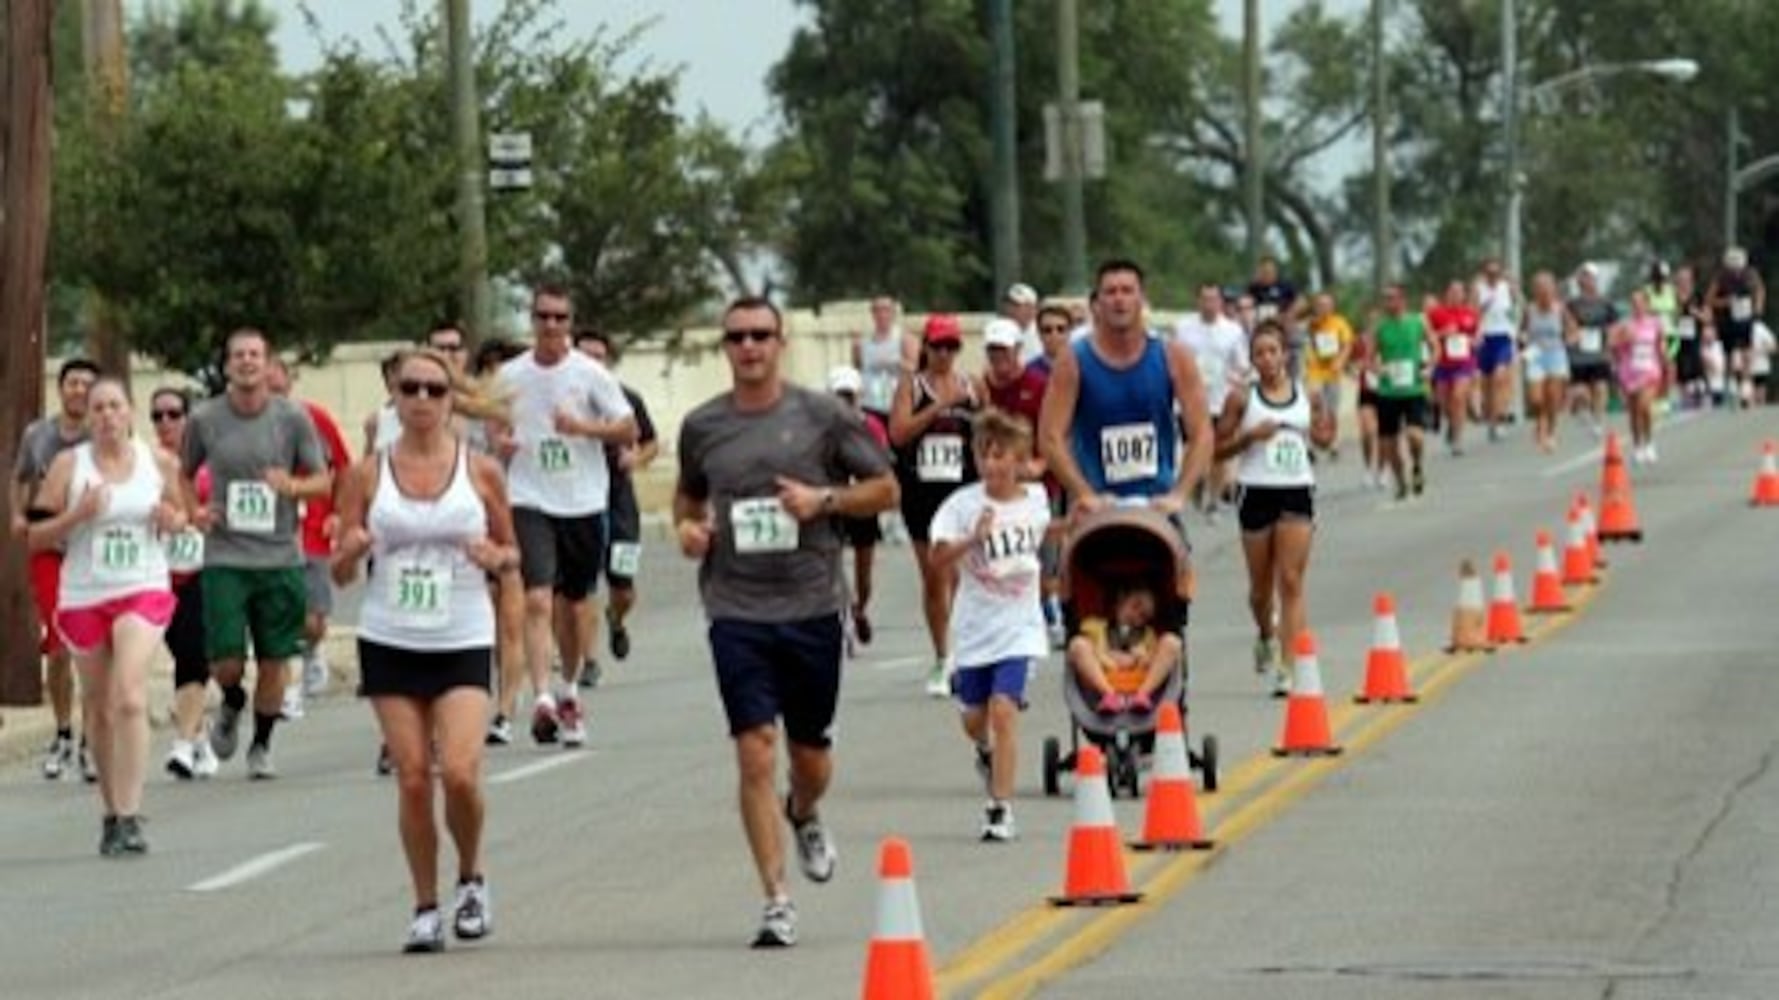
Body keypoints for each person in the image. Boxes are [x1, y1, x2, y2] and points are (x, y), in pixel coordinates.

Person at [674, 296, 898, 948]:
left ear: (780, 342)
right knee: (753, 751)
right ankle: (775, 898)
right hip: (735, 608)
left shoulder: (822, 416)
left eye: (760, 336)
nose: (749, 347)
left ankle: (802, 810)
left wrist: (823, 499)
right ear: (726, 347)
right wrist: (691, 530)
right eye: (737, 337)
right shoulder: (703, 425)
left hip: (809, 605)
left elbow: (885, 488)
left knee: (810, 757)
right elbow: (689, 496)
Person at [331, 347, 514, 953]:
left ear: (452, 398)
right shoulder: (365, 474)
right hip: (391, 633)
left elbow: (512, 553)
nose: (422, 400)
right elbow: (336, 573)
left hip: (462, 630)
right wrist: (353, 549)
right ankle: (425, 906)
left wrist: (495, 558)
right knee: (412, 777)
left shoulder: (481, 471)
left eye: (436, 390)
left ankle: (471, 877)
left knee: (459, 772)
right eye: (410, 389)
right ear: (395, 397)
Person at [27, 378, 184, 854]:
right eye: (98, 408)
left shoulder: (159, 461)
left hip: (142, 586)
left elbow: (180, 513)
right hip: (84, 593)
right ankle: (111, 812)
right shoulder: (67, 466)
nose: (108, 416)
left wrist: (170, 519)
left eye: (116, 406)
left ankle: (132, 813)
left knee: (129, 695)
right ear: (87, 417)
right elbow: (34, 537)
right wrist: (77, 515)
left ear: (130, 411)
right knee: (97, 706)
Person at [183, 329, 330, 779]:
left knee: (274, 660)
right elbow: (182, 473)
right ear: (227, 366)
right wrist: (195, 511)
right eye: (238, 355)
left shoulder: (293, 418)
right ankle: (231, 700)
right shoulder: (206, 418)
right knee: (225, 662)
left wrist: (292, 485)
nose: (247, 362)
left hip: (279, 557)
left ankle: (262, 743)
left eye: (255, 355)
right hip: (226, 556)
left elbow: (323, 480)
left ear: (268, 365)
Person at [496, 285, 636, 749]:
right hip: (529, 496)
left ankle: (570, 688)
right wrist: (501, 441)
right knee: (537, 598)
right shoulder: (511, 373)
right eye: (543, 316)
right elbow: (491, 420)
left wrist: (583, 428)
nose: (551, 325)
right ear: (531, 320)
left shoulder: (590, 374)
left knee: (575, 605)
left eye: (560, 317)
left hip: (582, 499)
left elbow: (627, 427)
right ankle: (541, 698)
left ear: (570, 323)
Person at [927, 408, 1050, 843]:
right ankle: (984, 751)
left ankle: (1000, 809)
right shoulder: (962, 506)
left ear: (1019, 460)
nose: (992, 464)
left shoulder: (1036, 500)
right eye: (984, 455)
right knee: (975, 720)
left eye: (1001, 455)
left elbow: (1049, 537)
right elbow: (937, 559)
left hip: (1019, 627)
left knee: (1004, 710)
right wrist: (971, 539)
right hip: (976, 628)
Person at [1040, 259, 1214, 521]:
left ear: (1142, 298)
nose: (1119, 300)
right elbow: (1050, 436)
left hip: (1156, 504)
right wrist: (1084, 493)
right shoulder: (1073, 361)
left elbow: (1202, 432)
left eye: (1127, 290)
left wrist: (1180, 493)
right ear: (1097, 303)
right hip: (1098, 505)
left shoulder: (1173, 356)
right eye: (1110, 292)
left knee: (1183, 563)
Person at [1216, 320, 1335, 695]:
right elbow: (1216, 450)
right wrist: (1250, 436)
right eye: (1259, 354)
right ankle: (1265, 633)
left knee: (1292, 581)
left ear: (1285, 354)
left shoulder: (1307, 394)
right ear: (1252, 360)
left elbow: (1324, 435)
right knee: (1261, 589)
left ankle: (1288, 666)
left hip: (1296, 488)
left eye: (1273, 351)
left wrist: (1318, 433)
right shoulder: (1241, 399)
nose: (1267, 360)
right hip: (1255, 491)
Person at [889, 314, 985, 697]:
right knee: (934, 576)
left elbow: (988, 432)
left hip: (961, 489)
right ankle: (943, 656)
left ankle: (968, 653)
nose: (945, 354)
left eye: (952, 347)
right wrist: (939, 406)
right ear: (926, 347)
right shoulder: (912, 387)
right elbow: (898, 434)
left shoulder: (972, 385)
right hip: (922, 489)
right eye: (938, 346)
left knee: (965, 576)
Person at [13, 358, 100, 781]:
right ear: (61, 388)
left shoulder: (105, 435)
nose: (79, 390)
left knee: (92, 647)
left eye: (87, 384)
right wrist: (17, 515)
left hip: (92, 548)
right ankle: (64, 732)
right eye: (73, 383)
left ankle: (91, 739)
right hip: (49, 548)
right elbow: (20, 477)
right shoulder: (39, 435)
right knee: (60, 642)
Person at [266, 358, 352, 721]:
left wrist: (339, 513)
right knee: (281, 610)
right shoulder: (244, 424)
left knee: (314, 618)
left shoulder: (315, 418)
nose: (271, 385)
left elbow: (343, 468)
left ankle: (311, 650)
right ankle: (290, 685)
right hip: (269, 532)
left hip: (314, 525)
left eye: (276, 376)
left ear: (289, 379)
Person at [574, 328, 659, 668]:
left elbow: (651, 442)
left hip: (619, 501)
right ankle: (588, 659)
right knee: (582, 586)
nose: (592, 363)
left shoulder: (626, 399)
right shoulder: (563, 401)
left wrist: (635, 459)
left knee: (622, 586)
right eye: (585, 356)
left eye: (598, 356)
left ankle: (617, 618)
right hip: (578, 500)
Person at [151, 388, 220, 780]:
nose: (165, 424)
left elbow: (205, 508)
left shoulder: (210, 463)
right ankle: (199, 735)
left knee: (194, 654)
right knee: (182, 655)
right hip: (160, 573)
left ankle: (180, 744)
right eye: (157, 416)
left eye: (174, 415)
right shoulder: (145, 463)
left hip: (204, 568)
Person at [1174, 283, 1249, 519]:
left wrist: (1238, 381)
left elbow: (1243, 365)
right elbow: (1172, 359)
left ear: (1220, 302)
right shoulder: (1183, 328)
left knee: (1219, 451)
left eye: (1213, 299)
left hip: (1220, 399)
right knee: (1192, 448)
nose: (1209, 304)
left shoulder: (1233, 331)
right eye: (1204, 299)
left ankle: (1213, 501)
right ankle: (1196, 483)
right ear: (1198, 301)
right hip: (1190, 399)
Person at [827, 366, 891, 647]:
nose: (844, 403)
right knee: (832, 562)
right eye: (839, 396)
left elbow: (883, 464)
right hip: (835, 502)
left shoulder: (871, 426)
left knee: (864, 570)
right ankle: (842, 615)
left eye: (848, 397)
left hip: (863, 502)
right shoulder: (821, 428)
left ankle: (859, 607)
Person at [1067, 586, 1181, 713]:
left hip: (1138, 681)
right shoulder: (1094, 626)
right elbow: (1086, 653)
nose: (1136, 616)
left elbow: (1153, 661)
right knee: (1078, 645)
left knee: (1172, 643)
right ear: (1120, 600)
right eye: (1135, 606)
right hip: (1101, 682)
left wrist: (1140, 658)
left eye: (1143, 616)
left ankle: (1142, 694)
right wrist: (1107, 658)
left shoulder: (1148, 635)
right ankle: (1109, 695)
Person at [1365, 283, 1431, 500]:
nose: (1388, 303)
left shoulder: (1417, 321)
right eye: (1385, 298)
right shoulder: (1380, 327)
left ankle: (1418, 465)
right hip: (1388, 392)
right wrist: (1377, 368)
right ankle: (1401, 483)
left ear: (1403, 300)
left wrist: (1430, 366)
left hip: (1413, 389)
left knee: (1415, 436)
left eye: (1392, 298)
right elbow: (1369, 358)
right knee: (1389, 445)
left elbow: (1435, 345)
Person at [1707, 246, 1766, 408]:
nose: (1735, 271)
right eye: (1732, 267)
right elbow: (1710, 299)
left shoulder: (1751, 275)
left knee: (1746, 351)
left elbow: (1760, 290)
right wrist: (1725, 302)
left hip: (1745, 318)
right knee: (1729, 354)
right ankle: (1730, 385)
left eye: (1738, 267)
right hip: (1727, 320)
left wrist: (1758, 308)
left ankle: (1746, 386)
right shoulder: (1720, 278)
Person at [1427, 280, 1481, 455]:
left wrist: (1475, 341)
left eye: (1460, 292)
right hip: (1442, 363)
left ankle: (1458, 439)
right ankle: (1451, 424)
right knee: (1443, 403)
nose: (1456, 295)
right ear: (1446, 294)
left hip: (1464, 362)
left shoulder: (1470, 314)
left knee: (1458, 397)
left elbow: (1478, 336)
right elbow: (1427, 337)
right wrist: (1443, 333)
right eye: (1453, 291)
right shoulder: (1436, 314)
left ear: (1464, 295)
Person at [1520, 271, 1571, 454]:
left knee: (1553, 396)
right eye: (1539, 288)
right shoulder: (1530, 309)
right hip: (1536, 355)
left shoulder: (1560, 309)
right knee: (1536, 398)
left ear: (1553, 289)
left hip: (1556, 353)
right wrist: (1523, 342)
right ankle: (1540, 420)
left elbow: (1572, 329)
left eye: (1547, 288)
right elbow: (1523, 331)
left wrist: (1570, 339)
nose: (1544, 292)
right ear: (1535, 291)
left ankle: (1550, 431)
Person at [1613, 291, 1666, 464]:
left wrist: (1663, 359)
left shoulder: (1655, 323)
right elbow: (1614, 346)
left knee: (1645, 407)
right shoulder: (1625, 325)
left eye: (1640, 303)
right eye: (1634, 303)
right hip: (1629, 371)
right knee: (1634, 412)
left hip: (1649, 370)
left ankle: (1649, 442)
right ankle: (1637, 446)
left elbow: (1660, 344)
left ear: (1647, 304)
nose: (1637, 306)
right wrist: (1624, 341)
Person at [1565, 264, 1618, 437]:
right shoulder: (1572, 304)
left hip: (1599, 349)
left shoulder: (1605, 303)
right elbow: (1566, 324)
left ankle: (1598, 420)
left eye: (1590, 278)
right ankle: (1584, 410)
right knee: (1581, 392)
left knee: (1601, 387)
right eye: (1583, 277)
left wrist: (1611, 345)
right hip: (1578, 352)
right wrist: (1571, 335)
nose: (1587, 281)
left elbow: (1613, 325)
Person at [1473, 258, 1520, 441]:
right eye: (1489, 273)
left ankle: (1500, 418)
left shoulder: (1506, 287)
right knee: (1487, 383)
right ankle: (1491, 419)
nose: (1493, 277)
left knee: (1500, 377)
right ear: (1484, 274)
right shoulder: (1479, 288)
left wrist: (1511, 283)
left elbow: (1516, 303)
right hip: (1485, 337)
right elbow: (1474, 311)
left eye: (1496, 273)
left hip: (1503, 336)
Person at [1304, 292, 1355, 460]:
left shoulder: (1340, 323)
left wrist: (1341, 360)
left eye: (1327, 305)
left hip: (1333, 372)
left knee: (1331, 409)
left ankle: (1332, 442)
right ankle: (1310, 444)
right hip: (1315, 371)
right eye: (1320, 305)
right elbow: (1305, 342)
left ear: (1332, 306)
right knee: (1315, 405)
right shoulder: (1311, 324)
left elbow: (1347, 344)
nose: (1323, 308)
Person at [1671, 265, 1711, 409]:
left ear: (1691, 280)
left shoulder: (1698, 296)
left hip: (1694, 336)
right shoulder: (1672, 296)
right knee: (1679, 365)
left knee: (1697, 364)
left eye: (1686, 279)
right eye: (1680, 280)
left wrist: (1695, 313)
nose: (1683, 283)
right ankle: (1683, 398)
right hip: (1676, 336)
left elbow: (1707, 317)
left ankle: (1703, 393)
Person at [1003, 282, 1043, 359]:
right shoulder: (1000, 332)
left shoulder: (1043, 334)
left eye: (1016, 305)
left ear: (1032, 309)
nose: (1010, 309)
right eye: (1008, 304)